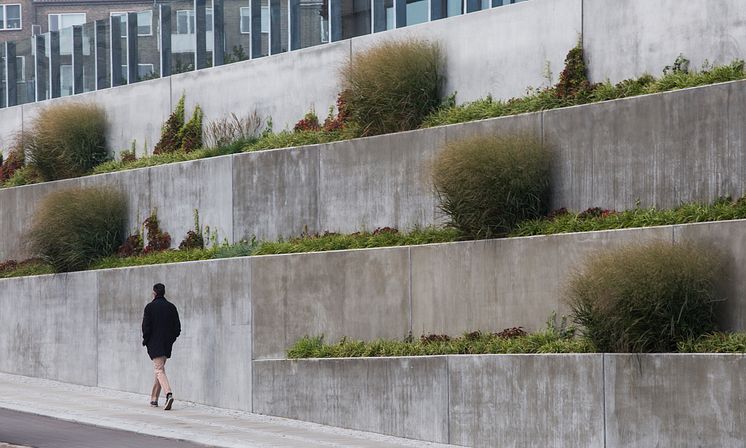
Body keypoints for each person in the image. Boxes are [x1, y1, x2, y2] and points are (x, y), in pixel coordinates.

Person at [142, 283, 181, 411]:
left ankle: (168, 394)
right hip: (167, 344)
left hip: (155, 343)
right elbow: (177, 328)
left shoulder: (150, 307)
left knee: (159, 371)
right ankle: (154, 399)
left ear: (154, 293)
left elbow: (146, 327)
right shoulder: (171, 307)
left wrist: (146, 340)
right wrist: (171, 339)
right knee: (160, 370)